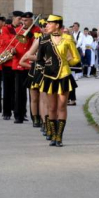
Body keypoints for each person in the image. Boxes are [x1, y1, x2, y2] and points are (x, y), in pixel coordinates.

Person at [37, 15, 80, 147]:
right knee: (52, 107)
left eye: (49, 23)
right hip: (49, 77)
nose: (47, 26)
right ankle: (53, 135)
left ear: (57, 25)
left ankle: (59, 137)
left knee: (62, 106)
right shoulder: (44, 40)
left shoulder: (67, 39)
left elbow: (76, 58)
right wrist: (45, 68)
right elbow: (39, 59)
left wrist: (67, 62)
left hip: (64, 76)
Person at [12, 12, 40, 123]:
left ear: (31, 20)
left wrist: (31, 37)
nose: (23, 23)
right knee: (19, 92)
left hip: (30, 65)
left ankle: (35, 117)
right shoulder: (18, 30)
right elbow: (14, 44)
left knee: (34, 93)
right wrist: (12, 50)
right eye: (22, 20)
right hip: (19, 64)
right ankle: (19, 115)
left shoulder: (37, 31)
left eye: (26, 21)